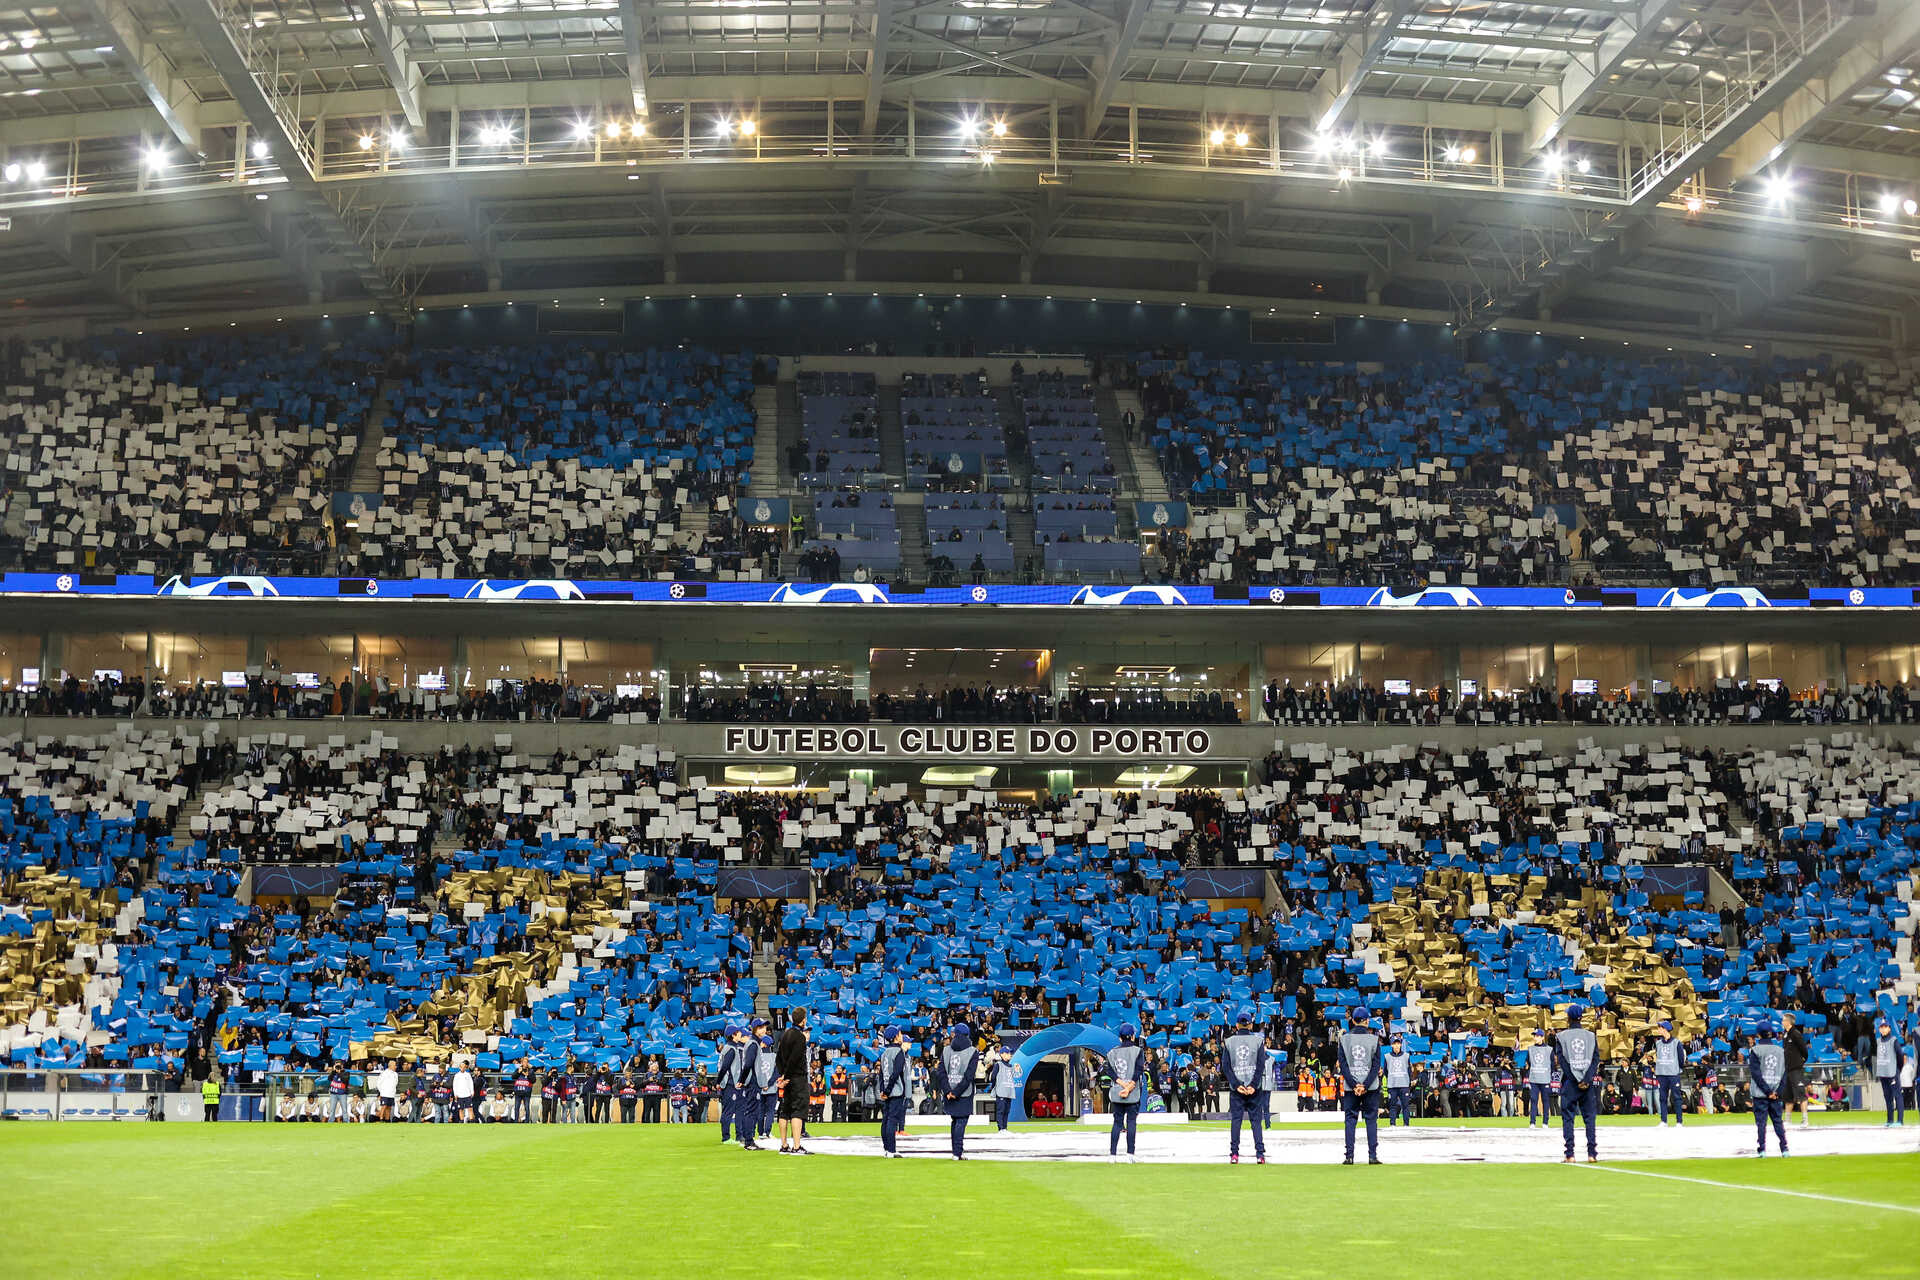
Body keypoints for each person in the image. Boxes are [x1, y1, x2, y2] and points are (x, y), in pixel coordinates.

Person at [1553, 1005, 1602, 1164]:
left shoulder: (1561, 1036)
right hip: (1587, 1084)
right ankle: (1592, 1154)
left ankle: (1570, 1154)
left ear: (1568, 1018)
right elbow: (1595, 1060)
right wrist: (1586, 1079)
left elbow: (1563, 1062)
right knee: (1590, 1118)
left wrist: (1575, 1079)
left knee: (1568, 1118)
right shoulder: (1590, 1036)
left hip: (1570, 1083)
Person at [1221, 1008, 1270, 1164]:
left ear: (1236, 1025)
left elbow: (1226, 1067)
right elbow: (1261, 1065)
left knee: (1236, 1121)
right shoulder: (1258, 1041)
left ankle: (1234, 1154)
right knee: (1256, 1122)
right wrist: (1253, 1085)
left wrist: (1236, 1085)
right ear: (1250, 1025)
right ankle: (1260, 1154)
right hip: (1254, 1089)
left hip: (1237, 1089)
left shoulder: (1229, 1042)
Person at [1337, 1009, 1383, 1165]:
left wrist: (1354, 1084)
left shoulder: (1344, 1039)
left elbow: (1343, 1066)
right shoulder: (1374, 1039)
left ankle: (1349, 1156)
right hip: (1370, 1087)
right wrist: (1365, 1084)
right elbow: (1376, 1066)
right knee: (1371, 1120)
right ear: (1367, 1021)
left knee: (1350, 1120)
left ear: (1353, 1020)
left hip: (1351, 1087)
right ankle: (1372, 1155)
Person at [935, 1021, 980, 1160]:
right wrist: (956, 1092)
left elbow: (941, 1072)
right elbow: (969, 1076)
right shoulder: (973, 1051)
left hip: (949, 1092)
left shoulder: (946, 1049)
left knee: (955, 1121)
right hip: (963, 1093)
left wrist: (948, 1090)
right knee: (961, 1121)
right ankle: (957, 1153)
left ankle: (956, 1151)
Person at [1749, 1019, 1791, 1157]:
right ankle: (1784, 1149)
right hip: (1776, 1093)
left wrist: (1767, 1092)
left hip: (1761, 1094)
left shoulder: (1755, 1050)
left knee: (1761, 1123)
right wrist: (1777, 1092)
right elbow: (1785, 1073)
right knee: (1778, 1122)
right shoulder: (1780, 1051)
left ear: (1758, 1035)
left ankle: (1762, 1150)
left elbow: (1756, 1074)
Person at [1106, 1024, 1145, 1163]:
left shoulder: (1112, 1052)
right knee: (1131, 1123)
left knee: (1117, 1123)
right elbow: (1138, 1071)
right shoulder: (1137, 1051)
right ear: (1133, 1036)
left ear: (1120, 1037)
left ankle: (1112, 1155)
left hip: (1117, 1092)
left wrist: (1122, 1084)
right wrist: (1128, 1088)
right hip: (1132, 1093)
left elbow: (1109, 1072)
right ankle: (1130, 1155)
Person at [775, 1006, 811, 1154]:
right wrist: (787, 1076)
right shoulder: (800, 1037)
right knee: (798, 1111)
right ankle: (796, 1146)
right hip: (797, 1078)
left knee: (785, 1111)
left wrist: (782, 1075)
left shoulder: (785, 1034)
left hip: (787, 1079)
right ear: (803, 1021)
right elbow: (794, 1060)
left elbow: (778, 1058)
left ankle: (784, 1145)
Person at [879, 1025, 911, 1158]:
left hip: (886, 1091)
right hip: (895, 1091)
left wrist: (883, 1090)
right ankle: (891, 1150)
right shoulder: (899, 1052)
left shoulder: (884, 1053)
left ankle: (887, 1148)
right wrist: (888, 1090)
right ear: (896, 1037)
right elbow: (897, 1073)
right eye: (900, 1033)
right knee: (892, 1120)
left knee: (886, 1120)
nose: (902, 1035)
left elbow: (881, 1074)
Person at [1648, 1021, 1685, 1127]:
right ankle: (1663, 1121)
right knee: (1662, 1098)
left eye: (1660, 1028)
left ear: (1665, 1029)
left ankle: (1679, 1121)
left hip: (1673, 1074)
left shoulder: (1676, 1043)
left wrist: (1677, 1069)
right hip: (1661, 1074)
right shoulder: (1658, 1043)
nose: (1658, 1030)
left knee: (1677, 1097)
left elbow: (1681, 1059)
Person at [737, 1018, 766, 1148]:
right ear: (754, 1029)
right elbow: (748, 1064)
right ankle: (749, 1141)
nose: (763, 1029)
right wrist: (742, 1080)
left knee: (751, 1111)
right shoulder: (753, 1044)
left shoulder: (754, 1043)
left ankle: (749, 1139)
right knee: (752, 1111)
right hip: (753, 1082)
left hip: (752, 1081)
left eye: (764, 1027)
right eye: (760, 1027)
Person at [1872, 1017, 1907, 1126]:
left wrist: (1898, 1069)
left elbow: (1900, 1056)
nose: (1883, 1029)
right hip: (1883, 1073)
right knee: (1887, 1097)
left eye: (1885, 1027)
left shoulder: (1894, 1040)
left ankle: (1900, 1121)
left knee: (1898, 1096)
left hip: (1892, 1072)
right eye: (1881, 1027)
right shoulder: (1878, 1041)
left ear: (1889, 1028)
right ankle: (1890, 1120)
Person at [717, 1026, 742, 1144]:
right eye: (738, 1032)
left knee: (728, 1110)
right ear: (733, 1035)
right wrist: (718, 1082)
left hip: (729, 1083)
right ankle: (725, 1137)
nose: (740, 1034)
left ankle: (726, 1136)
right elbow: (725, 1067)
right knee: (728, 1111)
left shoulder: (728, 1047)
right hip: (730, 1083)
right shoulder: (731, 1049)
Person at [1384, 1032, 1414, 1127]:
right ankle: (1392, 1124)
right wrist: (1392, 1078)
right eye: (1395, 1044)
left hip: (1404, 1084)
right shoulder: (1387, 1056)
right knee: (1392, 1106)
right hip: (1392, 1085)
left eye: (1398, 1043)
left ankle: (1406, 1124)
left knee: (1405, 1106)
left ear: (1401, 1044)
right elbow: (1385, 1071)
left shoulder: (1406, 1056)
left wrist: (1408, 1082)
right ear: (1392, 1045)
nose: (1397, 1045)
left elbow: (1409, 1070)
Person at [987, 1043, 1019, 1131]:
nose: (1010, 1055)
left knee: (1006, 1111)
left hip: (1009, 1092)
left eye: (1010, 1053)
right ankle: (1001, 1128)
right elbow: (993, 1077)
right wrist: (994, 1086)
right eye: (1008, 1053)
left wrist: (1016, 1069)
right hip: (1001, 1092)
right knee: (1000, 1111)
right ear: (1002, 1054)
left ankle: (1005, 1128)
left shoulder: (1011, 1066)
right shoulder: (998, 1064)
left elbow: (1014, 1076)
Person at [1525, 1028, 1553, 1126]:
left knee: (1545, 1101)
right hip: (1534, 1079)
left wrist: (1550, 1076)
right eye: (1534, 1036)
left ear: (1542, 1037)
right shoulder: (1531, 1049)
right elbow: (1528, 1062)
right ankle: (1532, 1122)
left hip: (1545, 1079)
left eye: (1537, 1036)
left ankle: (1545, 1122)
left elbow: (1552, 1064)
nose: (1535, 1038)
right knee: (1533, 1100)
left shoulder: (1549, 1049)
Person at [756, 1035, 779, 1142]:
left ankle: (760, 1132)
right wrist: (768, 1084)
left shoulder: (758, 1056)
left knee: (760, 1111)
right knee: (770, 1111)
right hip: (772, 1088)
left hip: (760, 1088)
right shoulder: (774, 1056)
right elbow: (776, 1073)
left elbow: (756, 1072)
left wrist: (762, 1084)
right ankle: (767, 1132)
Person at [642, 1059, 667, 1124]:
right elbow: (642, 1084)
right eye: (652, 1070)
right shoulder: (647, 1074)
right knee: (647, 1111)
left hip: (657, 1096)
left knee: (657, 1111)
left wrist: (658, 1081)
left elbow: (665, 1084)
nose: (654, 1071)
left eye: (655, 1070)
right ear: (650, 1069)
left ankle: (656, 1124)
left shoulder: (661, 1074)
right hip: (648, 1096)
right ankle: (646, 1124)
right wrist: (648, 1080)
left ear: (658, 1069)